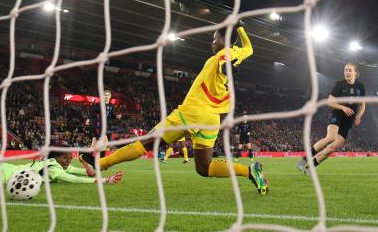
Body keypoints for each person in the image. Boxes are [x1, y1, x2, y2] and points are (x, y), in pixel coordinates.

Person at [80, 22, 269, 194]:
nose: (211, 43)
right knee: (204, 168)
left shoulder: (222, 55)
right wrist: (240, 27)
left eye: (214, 39)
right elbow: (250, 48)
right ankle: (250, 171)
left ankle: (100, 164)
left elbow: (223, 65)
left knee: (147, 142)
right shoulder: (238, 53)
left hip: (193, 112)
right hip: (212, 118)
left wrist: (228, 65)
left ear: (223, 39)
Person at [296, 63, 366, 173]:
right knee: (330, 138)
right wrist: (342, 107)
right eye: (345, 70)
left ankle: (310, 168)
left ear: (355, 73)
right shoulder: (339, 85)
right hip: (337, 115)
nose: (347, 72)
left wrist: (359, 115)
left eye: (349, 70)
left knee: (332, 148)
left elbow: (362, 104)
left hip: (348, 122)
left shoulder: (360, 87)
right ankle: (305, 159)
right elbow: (330, 102)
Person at [86, 89, 121, 157]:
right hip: (98, 125)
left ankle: (85, 158)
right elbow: (92, 112)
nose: (106, 96)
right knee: (105, 142)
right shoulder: (99, 104)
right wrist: (88, 119)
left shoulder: (111, 106)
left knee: (94, 145)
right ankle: (101, 161)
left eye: (108, 95)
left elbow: (111, 115)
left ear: (110, 96)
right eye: (105, 95)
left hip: (104, 126)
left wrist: (116, 116)